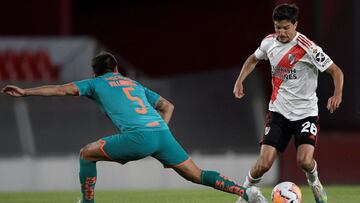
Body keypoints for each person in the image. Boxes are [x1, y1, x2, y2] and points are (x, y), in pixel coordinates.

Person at [2, 52, 267, 203]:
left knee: (86, 153)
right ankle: (247, 193)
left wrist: (25, 92)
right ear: (117, 68)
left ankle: (87, 202)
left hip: (138, 137)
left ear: (95, 73)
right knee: (196, 174)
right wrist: (159, 134)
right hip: (162, 134)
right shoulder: (134, 84)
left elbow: (60, 89)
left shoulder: (94, 84)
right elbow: (169, 106)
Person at [233, 3, 344, 203]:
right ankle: (244, 195)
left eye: (286, 28)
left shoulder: (308, 47)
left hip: (306, 113)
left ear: (295, 25)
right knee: (264, 164)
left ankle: (314, 181)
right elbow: (252, 59)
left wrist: (337, 94)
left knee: (304, 161)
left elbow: (336, 71)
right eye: (277, 27)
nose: (281, 32)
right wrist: (240, 80)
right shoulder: (268, 43)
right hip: (279, 113)